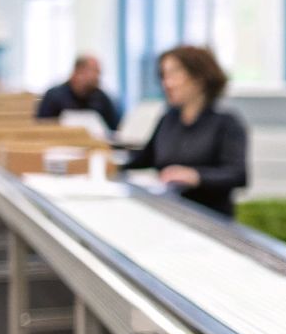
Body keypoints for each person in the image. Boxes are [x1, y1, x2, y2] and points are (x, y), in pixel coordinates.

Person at [121, 46, 248, 216]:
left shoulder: (226, 123)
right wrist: (109, 160)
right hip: (167, 212)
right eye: (164, 76)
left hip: (208, 218)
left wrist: (195, 176)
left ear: (199, 77)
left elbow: (238, 175)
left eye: (173, 74)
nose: (167, 83)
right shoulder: (168, 119)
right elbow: (143, 158)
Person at [36, 54, 122, 133]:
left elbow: (115, 130)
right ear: (78, 71)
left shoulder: (101, 98)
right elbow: (41, 128)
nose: (97, 76)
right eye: (94, 71)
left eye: (99, 72)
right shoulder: (54, 96)